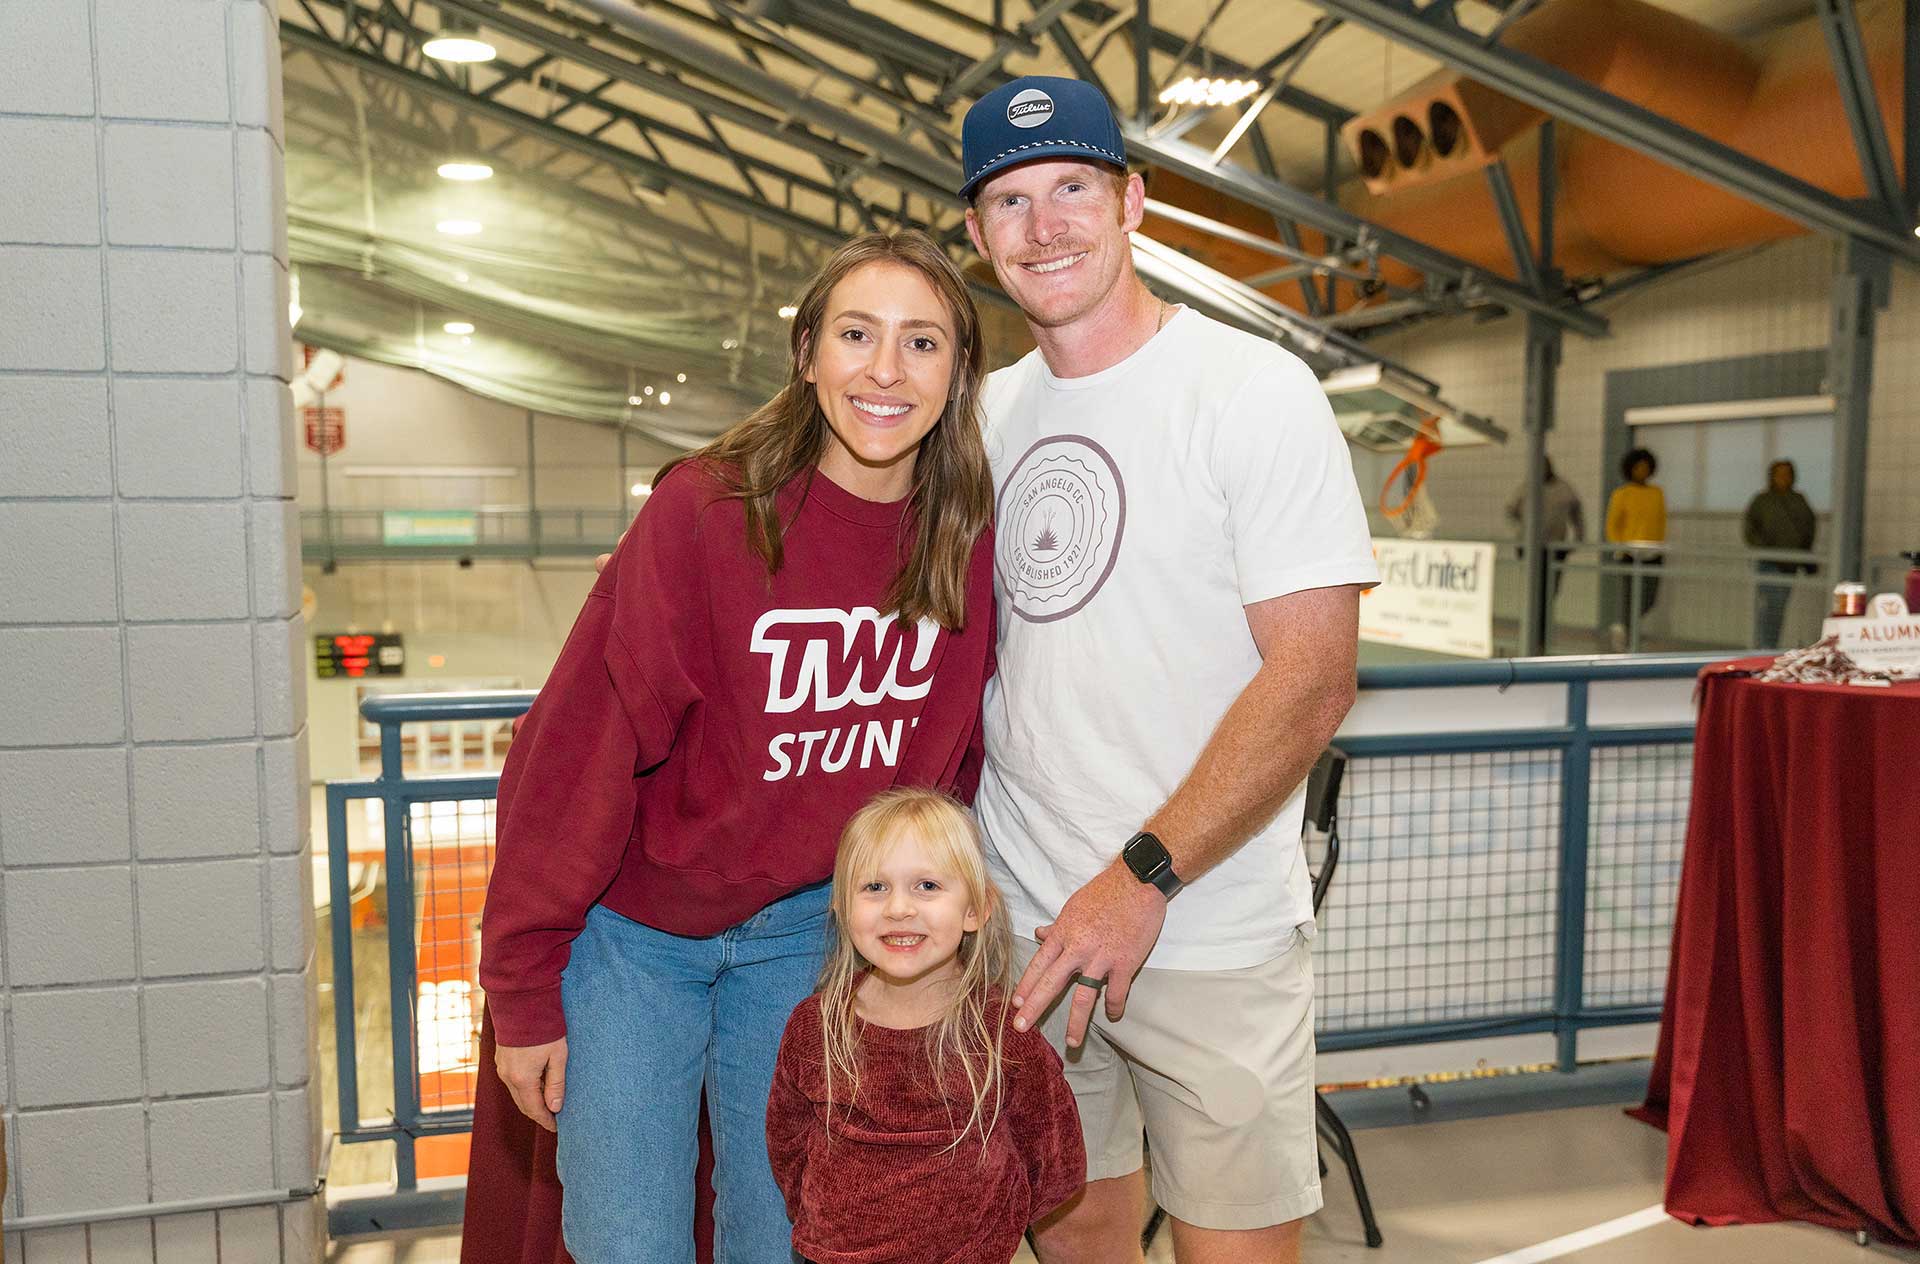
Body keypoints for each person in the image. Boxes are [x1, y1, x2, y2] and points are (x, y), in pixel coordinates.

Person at [470, 230, 998, 1264]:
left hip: (808, 937)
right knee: (628, 1242)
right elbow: (577, 750)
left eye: (922, 342)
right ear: (807, 355)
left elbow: (952, 777)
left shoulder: (962, 544)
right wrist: (524, 982)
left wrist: (935, 952)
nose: (886, 370)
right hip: (638, 940)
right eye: (857, 334)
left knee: (786, 1236)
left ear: (959, 373)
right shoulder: (708, 511)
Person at [959, 77, 1380, 1264]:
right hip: (1032, 924)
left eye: (1074, 189)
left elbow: (1311, 677)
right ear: (979, 237)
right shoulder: (984, 415)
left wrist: (1142, 876)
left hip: (1205, 925)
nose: (1045, 226)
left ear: (1133, 202)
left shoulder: (1251, 393)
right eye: (1011, 200)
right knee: (1075, 1229)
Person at [766, 788, 1085, 1264]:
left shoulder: (1003, 1035)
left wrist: (990, 1232)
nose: (898, 908)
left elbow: (1053, 1158)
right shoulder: (814, 1026)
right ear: (840, 907)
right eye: (874, 887)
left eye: (927, 887)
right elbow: (788, 1143)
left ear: (975, 910)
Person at [1743, 459, 1816, 648]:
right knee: (1768, 608)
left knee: (1778, 607)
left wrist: (1805, 557)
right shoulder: (1762, 500)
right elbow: (1750, 529)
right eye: (1779, 474)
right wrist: (1765, 549)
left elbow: (1809, 529)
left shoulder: (1799, 500)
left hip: (1789, 564)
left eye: (1787, 474)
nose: (1783, 478)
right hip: (1768, 562)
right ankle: (1764, 647)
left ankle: (1768, 647)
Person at [1604, 447, 1666, 651]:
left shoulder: (1656, 493)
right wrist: (1620, 546)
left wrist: (1659, 545)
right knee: (1629, 596)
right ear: (1631, 469)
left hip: (1653, 552)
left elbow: (1660, 521)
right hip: (1630, 553)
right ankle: (1629, 634)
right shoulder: (1622, 494)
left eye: (1646, 468)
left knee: (1649, 597)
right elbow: (1613, 524)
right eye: (1638, 468)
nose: (1642, 472)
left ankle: (1627, 627)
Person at [1506, 456, 1584, 611]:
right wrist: (1522, 529)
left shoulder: (1564, 488)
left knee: (1550, 589)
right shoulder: (1526, 488)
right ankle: (1533, 622)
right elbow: (1511, 511)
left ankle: (1543, 622)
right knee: (1533, 587)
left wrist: (1578, 538)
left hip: (1554, 546)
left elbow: (1577, 515)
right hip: (1529, 545)